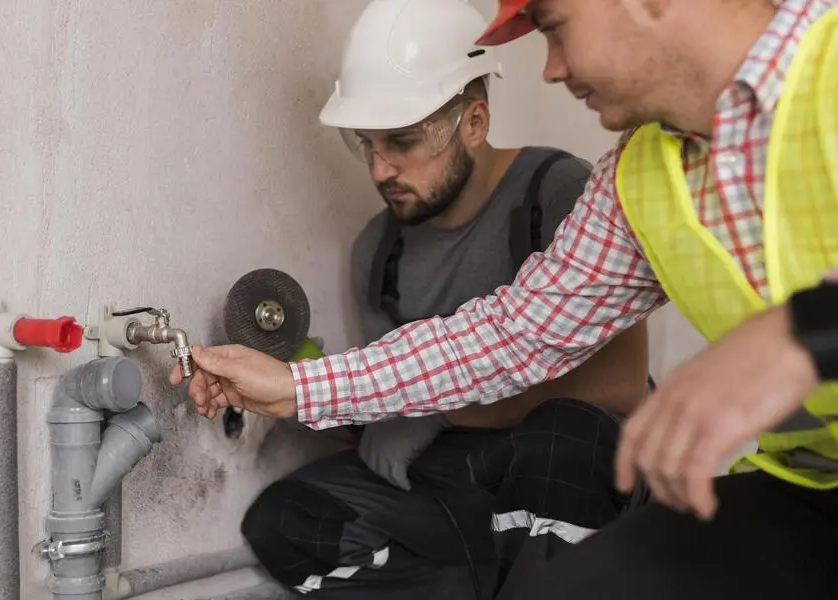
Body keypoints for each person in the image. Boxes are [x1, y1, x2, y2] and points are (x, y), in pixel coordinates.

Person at [173, 0, 838, 596]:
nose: (550, 70)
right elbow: (513, 334)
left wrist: (803, 331)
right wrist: (295, 385)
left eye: (554, 27)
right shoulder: (640, 179)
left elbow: (607, 389)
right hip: (806, 488)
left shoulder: (828, 67)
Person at [238, 1, 650, 598]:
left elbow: (618, 384)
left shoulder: (557, 193)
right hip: (460, 475)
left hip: (573, 470)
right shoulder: (377, 253)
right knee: (286, 519)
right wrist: (322, 399)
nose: (381, 170)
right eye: (366, 145)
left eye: (401, 142)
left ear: (475, 122)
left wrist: (441, 413)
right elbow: (399, 394)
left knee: (562, 441)